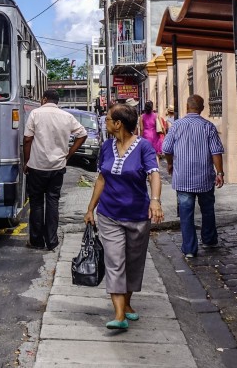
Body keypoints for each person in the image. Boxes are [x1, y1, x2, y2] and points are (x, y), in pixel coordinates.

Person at [84, 103, 163, 330]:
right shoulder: (106, 147)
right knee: (115, 261)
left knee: (133, 263)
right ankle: (119, 315)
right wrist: (91, 209)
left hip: (138, 215)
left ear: (118, 124)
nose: (105, 122)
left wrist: (155, 201)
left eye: (108, 119)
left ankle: (127, 304)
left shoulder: (144, 147)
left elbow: (154, 175)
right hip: (109, 214)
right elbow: (101, 179)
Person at [161, 94, 225, 259]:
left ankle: (189, 249)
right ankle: (209, 240)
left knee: (186, 213)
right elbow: (216, 152)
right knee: (208, 209)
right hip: (204, 177)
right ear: (202, 108)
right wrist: (219, 172)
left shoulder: (176, 126)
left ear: (186, 107)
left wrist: (170, 163)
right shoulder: (208, 126)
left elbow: (166, 148)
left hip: (183, 178)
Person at [23, 89, 88, 250]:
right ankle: (52, 241)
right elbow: (83, 134)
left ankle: (36, 241)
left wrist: (27, 161)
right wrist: (69, 154)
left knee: (37, 203)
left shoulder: (35, 114)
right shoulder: (67, 116)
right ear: (57, 101)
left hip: (37, 166)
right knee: (53, 202)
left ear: (44, 99)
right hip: (58, 167)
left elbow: (27, 139)